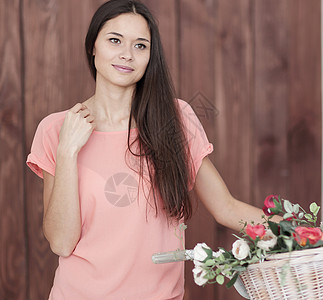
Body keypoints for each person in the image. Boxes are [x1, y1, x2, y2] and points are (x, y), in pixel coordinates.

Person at [26, 0, 265, 299]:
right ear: (93, 46)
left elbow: (226, 208)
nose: (127, 54)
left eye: (141, 46)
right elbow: (61, 243)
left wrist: (301, 234)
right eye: (115, 40)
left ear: (151, 56)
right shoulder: (56, 129)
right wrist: (67, 151)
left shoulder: (177, 119)